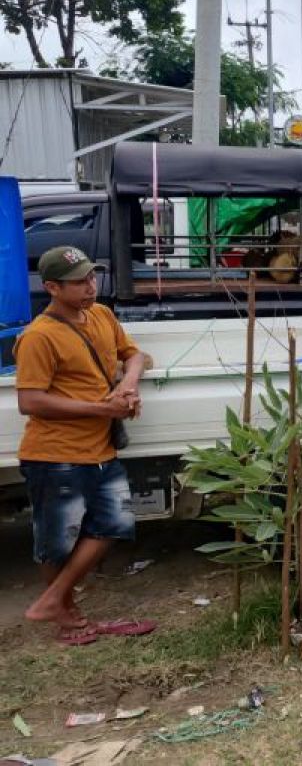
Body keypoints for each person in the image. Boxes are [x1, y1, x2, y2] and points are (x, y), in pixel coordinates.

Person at [16, 246, 154, 645]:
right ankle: (66, 619)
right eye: (78, 282)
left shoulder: (101, 315)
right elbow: (31, 401)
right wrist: (101, 408)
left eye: (91, 277)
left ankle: (54, 602)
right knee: (57, 542)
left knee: (115, 524)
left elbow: (135, 355)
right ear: (52, 288)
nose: (90, 287)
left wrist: (127, 387)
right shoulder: (38, 337)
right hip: (54, 453)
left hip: (99, 450)